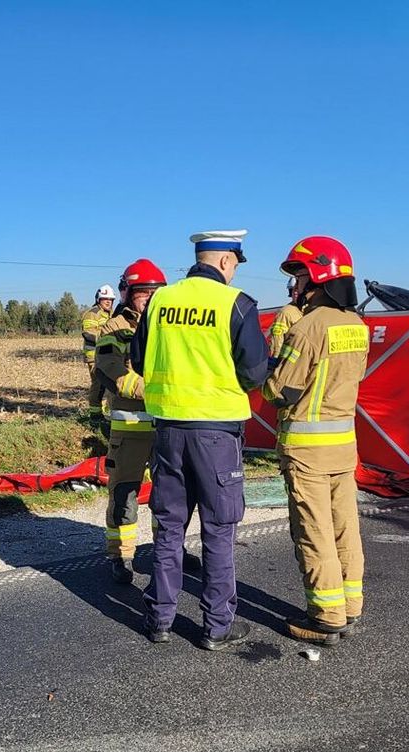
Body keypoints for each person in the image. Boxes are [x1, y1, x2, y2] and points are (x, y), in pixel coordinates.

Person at [130, 229, 269, 650]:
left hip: (168, 431)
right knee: (218, 529)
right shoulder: (236, 304)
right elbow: (254, 374)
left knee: (169, 528)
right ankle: (217, 626)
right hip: (216, 435)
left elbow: (138, 359)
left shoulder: (160, 301)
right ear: (227, 261)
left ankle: (159, 620)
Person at [262, 236, 369, 646]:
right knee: (345, 527)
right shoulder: (356, 326)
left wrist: (265, 378)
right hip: (344, 444)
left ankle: (326, 617)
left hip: (307, 451)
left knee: (314, 531)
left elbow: (280, 391)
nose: (295, 285)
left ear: (319, 278)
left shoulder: (307, 328)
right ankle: (351, 605)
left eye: (300, 275)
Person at [94, 259, 167, 585]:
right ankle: (121, 556)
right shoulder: (113, 330)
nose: (150, 298)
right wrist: (158, 392)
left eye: (156, 292)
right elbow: (113, 372)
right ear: (128, 294)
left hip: (167, 428)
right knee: (124, 496)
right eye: (143, 293)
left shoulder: (169, 327)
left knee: (169, 497)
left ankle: (167, 552)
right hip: (131, 430)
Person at [81, 285, 116, 421]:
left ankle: (107, 412)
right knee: (98, 384)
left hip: (107, 355)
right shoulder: (92, 313)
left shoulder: (111, 314)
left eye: (111, 300)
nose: (108, 302)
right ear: (98, 300)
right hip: (94, 356)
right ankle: (95, 415)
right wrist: (108, 339)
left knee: (109, 384)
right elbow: (88, 333)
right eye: (105, 299)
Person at [268, 279, 304, 361]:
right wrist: (277, 360)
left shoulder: (311, 310)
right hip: (290, 363)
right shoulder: (286, 313)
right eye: (293, 289)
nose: (295, 292)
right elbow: (277, 341)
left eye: (298, 289)